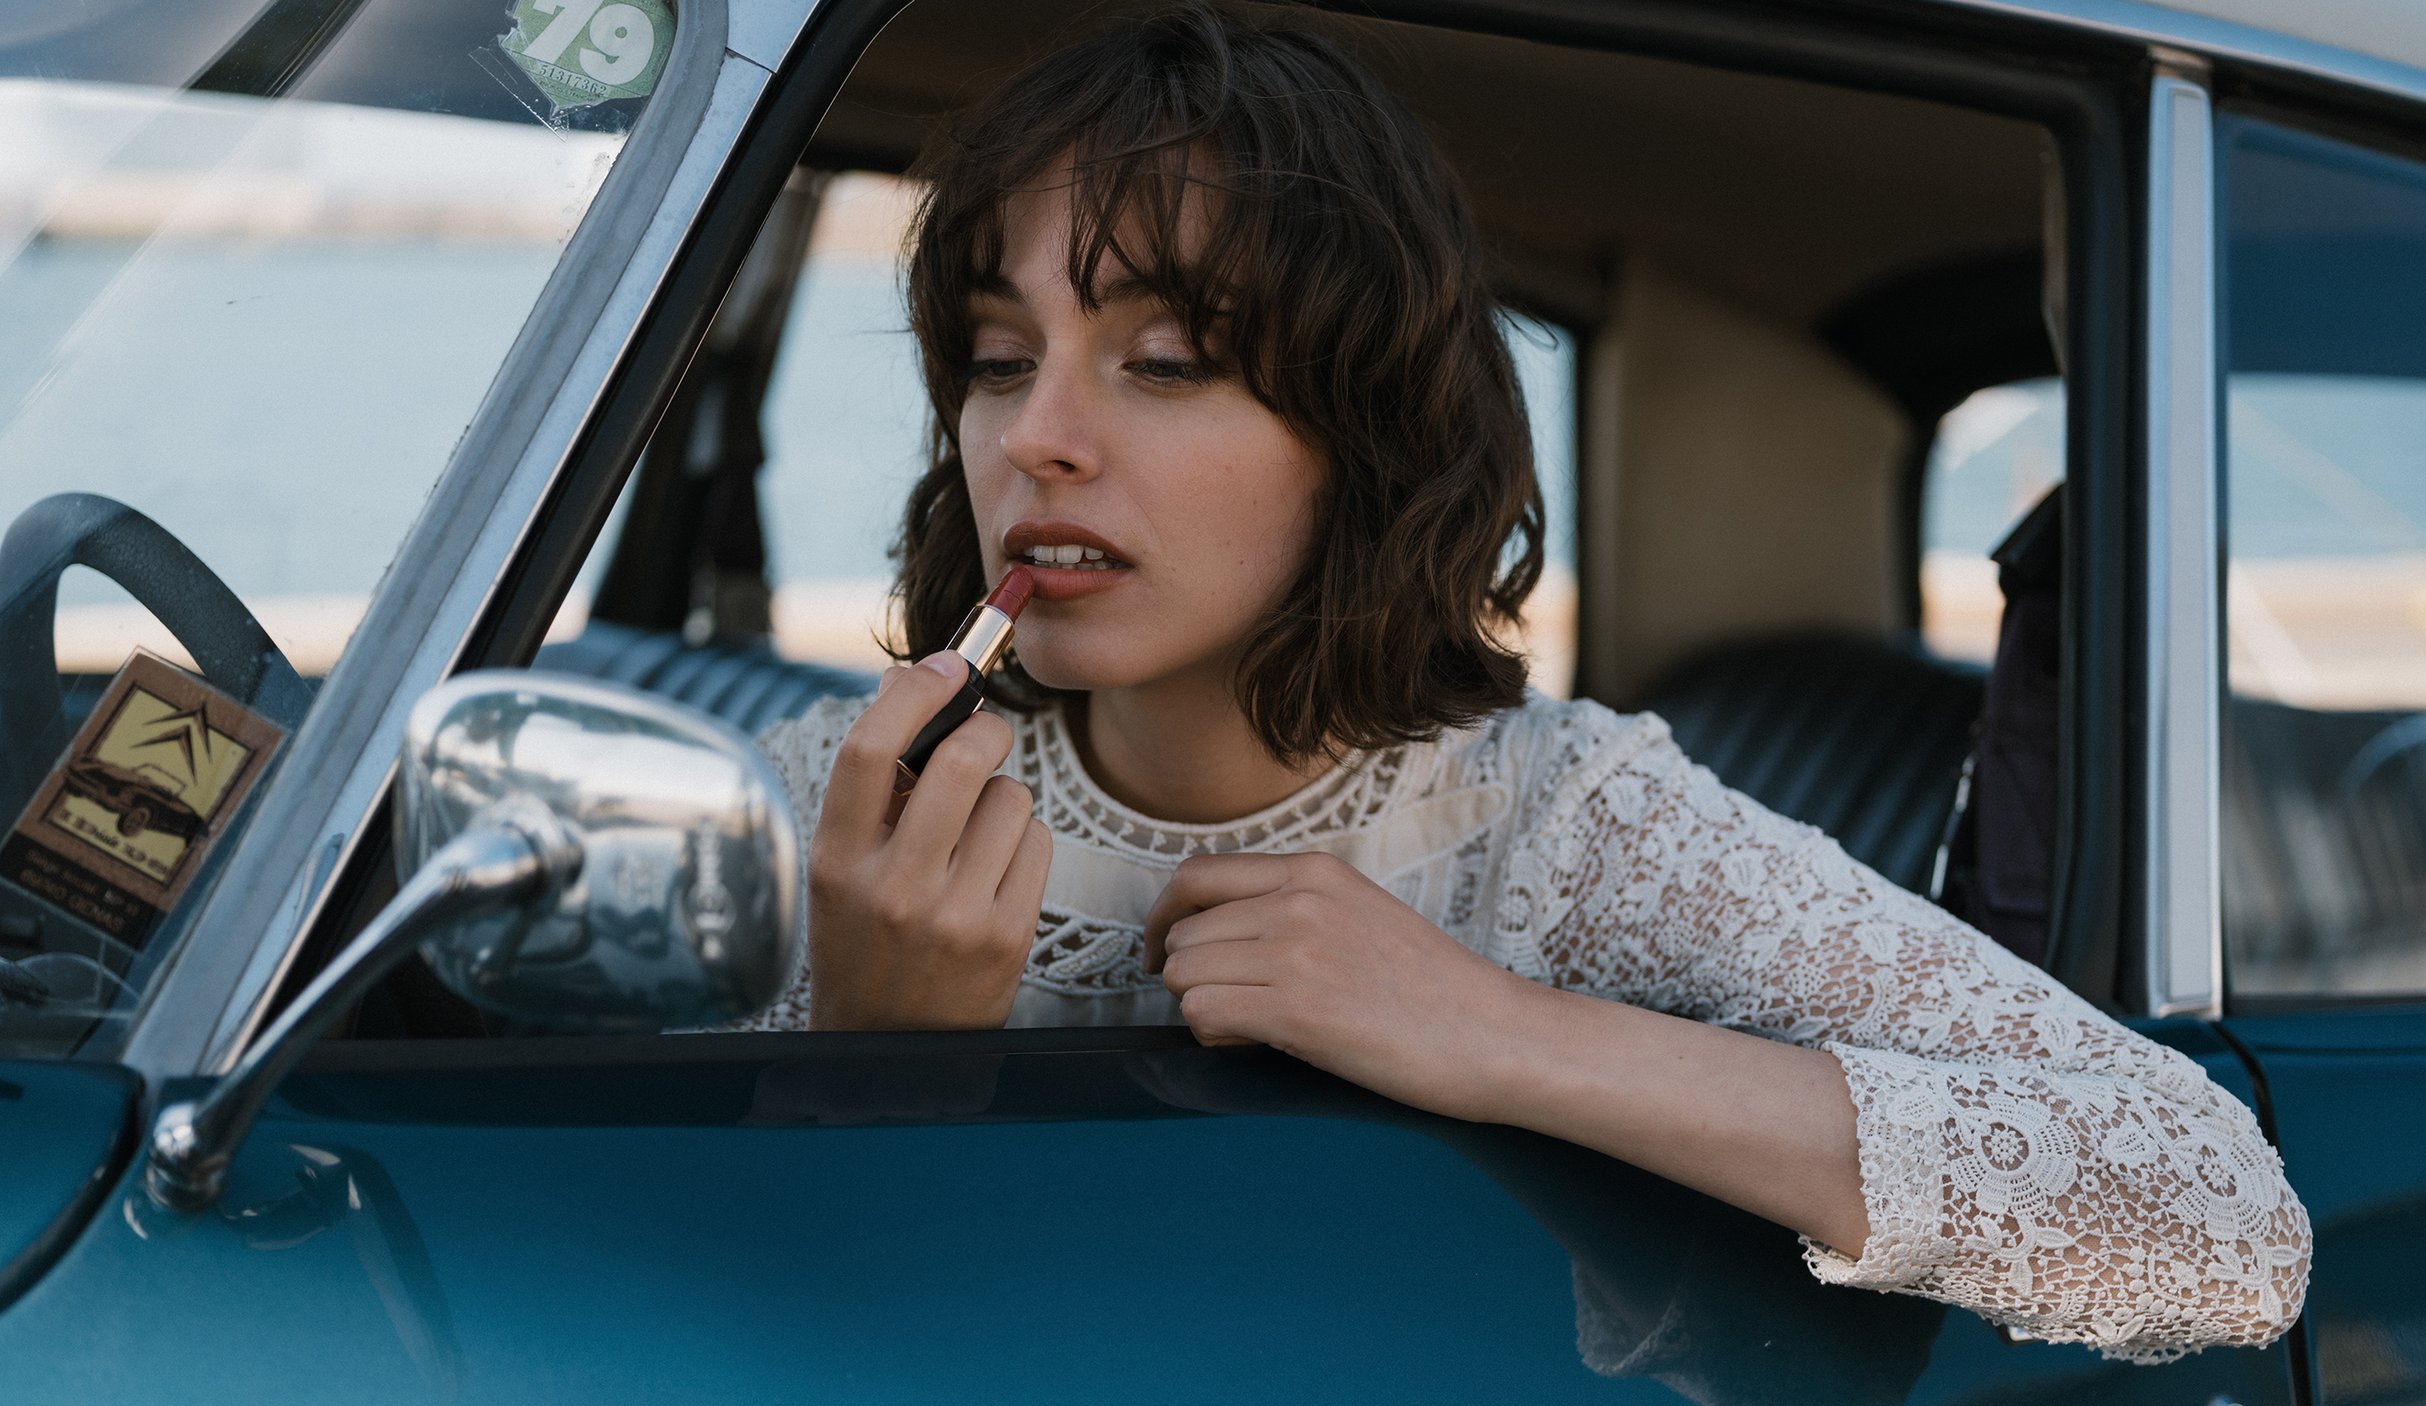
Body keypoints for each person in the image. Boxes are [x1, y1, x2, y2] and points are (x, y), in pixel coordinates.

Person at [737, 4, 2309, 1362]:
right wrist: (875, 1067)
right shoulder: (831, 804)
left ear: (1364, 434)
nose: (1034, 438)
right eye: (999, 359)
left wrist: (1499, 1031)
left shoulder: (1563, 827)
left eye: (1166, 361)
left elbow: (2224, 1214)